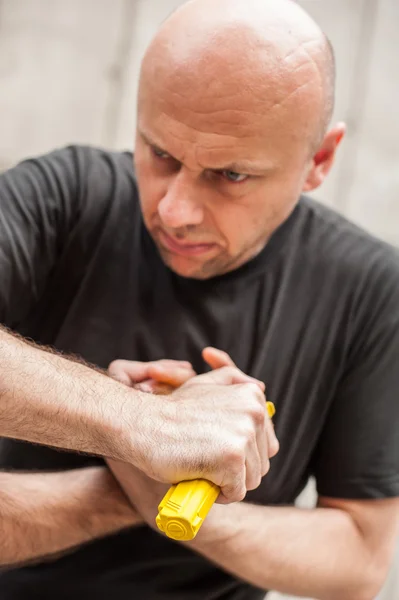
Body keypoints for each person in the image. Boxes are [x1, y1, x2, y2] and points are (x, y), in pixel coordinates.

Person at [0, 0, 398, 597]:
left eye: (230, 175)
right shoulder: (63, 197)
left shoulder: (369, 289)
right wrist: (139, 427)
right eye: (160, 152)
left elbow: (362, 558)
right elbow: (148, 436)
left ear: (319, 160)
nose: (174, 211)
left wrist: (184, 503)